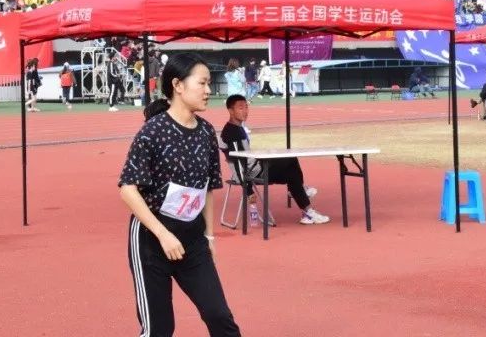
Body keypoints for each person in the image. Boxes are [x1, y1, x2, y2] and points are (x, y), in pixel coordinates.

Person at [118, 53, 241, 337]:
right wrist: (163, 235)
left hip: (192, 239)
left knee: (219, 316)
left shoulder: (206, 131)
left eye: (209, 83)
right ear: (178, 85)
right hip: (152, 239)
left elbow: (207, 187)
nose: (208, 90)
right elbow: (128, 189)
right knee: (159, 329)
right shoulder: (152, 132)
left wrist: (209, 236)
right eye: (202, 83)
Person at [220, 94, 330, 225]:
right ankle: (302, 200)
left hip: (254, 168)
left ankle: (307, 211)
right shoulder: (232, 133)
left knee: (292, 173)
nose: (245, 111)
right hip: (250, 174)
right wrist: (248, 190)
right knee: (290, 160)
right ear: (231, 111)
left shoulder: (237, 128)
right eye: (240, 108)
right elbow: (238, 163)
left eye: (246, 107)